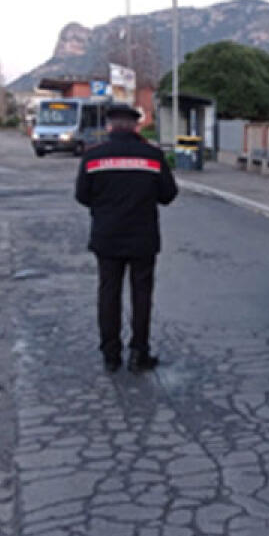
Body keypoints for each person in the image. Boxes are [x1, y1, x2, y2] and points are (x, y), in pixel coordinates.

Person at [75, 103, 178, 373]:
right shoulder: (152, 156)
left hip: (107, 237)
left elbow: (82, 196)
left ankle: (111, 355)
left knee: (108, 293)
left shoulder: (93, 157)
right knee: (141, 295)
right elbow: (168, 195)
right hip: (142, 237)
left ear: (109, 126)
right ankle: (139, 352)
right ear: (136, 126)